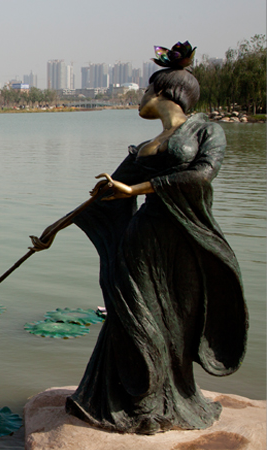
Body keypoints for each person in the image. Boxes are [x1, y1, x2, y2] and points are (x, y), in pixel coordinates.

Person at [36, 42, 247, 434]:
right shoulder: (145, 148)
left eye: (147, 91)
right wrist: (56, 228)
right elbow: (100, 196)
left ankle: (171, 400)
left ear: (166, 91)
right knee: (135, 319)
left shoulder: (206, 130)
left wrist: (136, 190)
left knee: (176, 322)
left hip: (183, 241)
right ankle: (133, 402)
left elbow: (201, 175)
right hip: (141, 243)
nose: (142, 98)